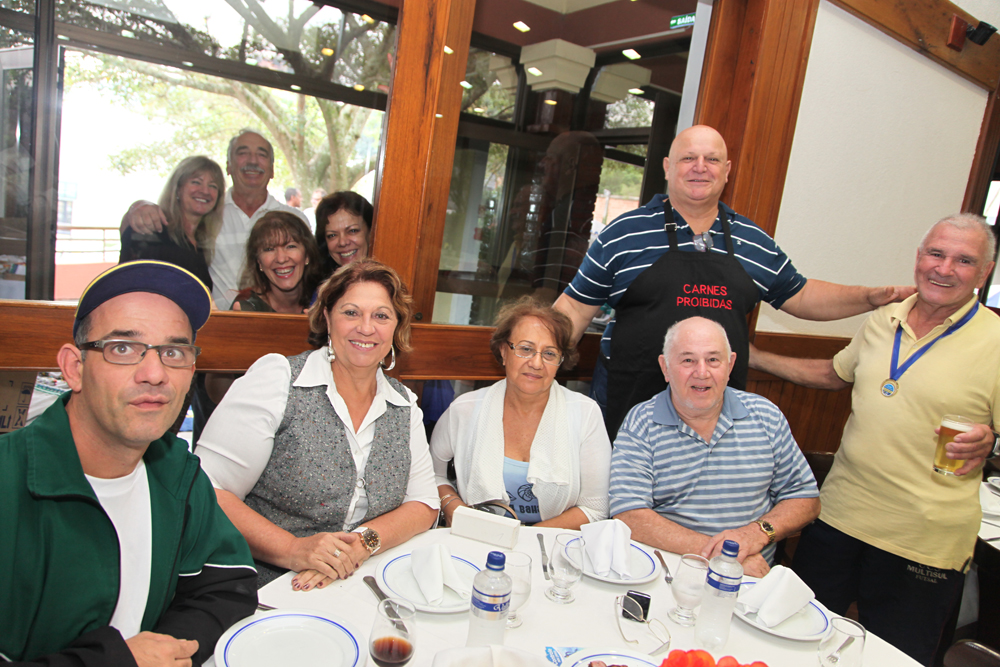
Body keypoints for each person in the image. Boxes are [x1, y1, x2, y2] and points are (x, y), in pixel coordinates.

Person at [749, 214, 999, 665]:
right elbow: (834, 373)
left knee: (894, 659)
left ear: (984, 273)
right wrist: (752, 356)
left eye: (964, 260)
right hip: (839, 517)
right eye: (936, 253)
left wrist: (991, 440)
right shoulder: (885, 317)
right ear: (918, 257)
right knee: (788, 640)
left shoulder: (995, 341)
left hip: (923, 540)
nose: (944, 268)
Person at [553, 124, 913, 438]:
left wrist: (869, 297)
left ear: (726, 171)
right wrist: (536, 364)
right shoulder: (623, 234)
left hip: (715, 415)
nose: (700, 167)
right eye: (688, 158)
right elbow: (573, 309)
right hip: (627, 408)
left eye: (711, 159)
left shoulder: (752, 240)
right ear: (667, 167)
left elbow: (801, 295)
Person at [0, 261, 257, 666]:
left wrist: (166, 651)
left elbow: (226, 587)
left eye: (173, 352)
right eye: (122, 348)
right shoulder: (9, 483)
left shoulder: (178, 473)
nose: (155, 374)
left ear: (191, 370)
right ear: (74, 368)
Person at [196, 259, 439, 590]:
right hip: (260, 586)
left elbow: (424, 504)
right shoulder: (278, 380)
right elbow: (206, 488)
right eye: (351, 312)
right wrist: (292, 549)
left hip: (357, 582)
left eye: (381, 316)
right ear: (326, 317)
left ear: (397, 327)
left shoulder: (404, 404)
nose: (366, 328)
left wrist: (362, 544)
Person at [609, 316, 820, 578]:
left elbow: (805, 498)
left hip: (751, 579)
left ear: (730, 365)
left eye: (713, 360)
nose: (702, 372)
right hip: (669, 574)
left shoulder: (766, 415)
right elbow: (629, 514)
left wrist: (754, 534)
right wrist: (725, 556)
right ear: (665, 367)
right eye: (688, 360)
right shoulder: (641, 423)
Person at [430, 297, 611, 528]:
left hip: (551, 543)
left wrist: (526, 540)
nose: (536, 363)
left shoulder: (585, 414)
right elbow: (431, 475)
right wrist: (453, 507)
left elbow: (596, 507)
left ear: (560, 361)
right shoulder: (464, 409)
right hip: (476, 535)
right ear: (504, 351)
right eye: (526, 349)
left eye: (549, 353)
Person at [122, 129, 309, 309]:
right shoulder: (209, 216)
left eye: (261, 155)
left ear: (272, 170)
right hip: (209, 323)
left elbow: (310, 275)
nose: (253, 161)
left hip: (276, 321)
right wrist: (137, 207)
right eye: (243, 153)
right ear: (229, 166)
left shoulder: (294, 219)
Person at [119, 155, 225, 290]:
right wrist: (136, 206)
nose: (205, 191)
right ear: (178, 189)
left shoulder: (202, 244)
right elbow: (130, 285)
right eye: (196, 182)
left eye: (213, 186)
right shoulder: (153, 230)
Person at [232, 211, 323, 314]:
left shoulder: (324, 300)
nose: (281, 259)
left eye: (290, 246)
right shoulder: (246, 308)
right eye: (269, 249)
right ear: (259, 262)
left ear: (307, 255)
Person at [314, 191, 374, 277]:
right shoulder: (321, 284)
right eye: (332, 235)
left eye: (352, 231)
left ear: (371, 231)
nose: (342, 242)